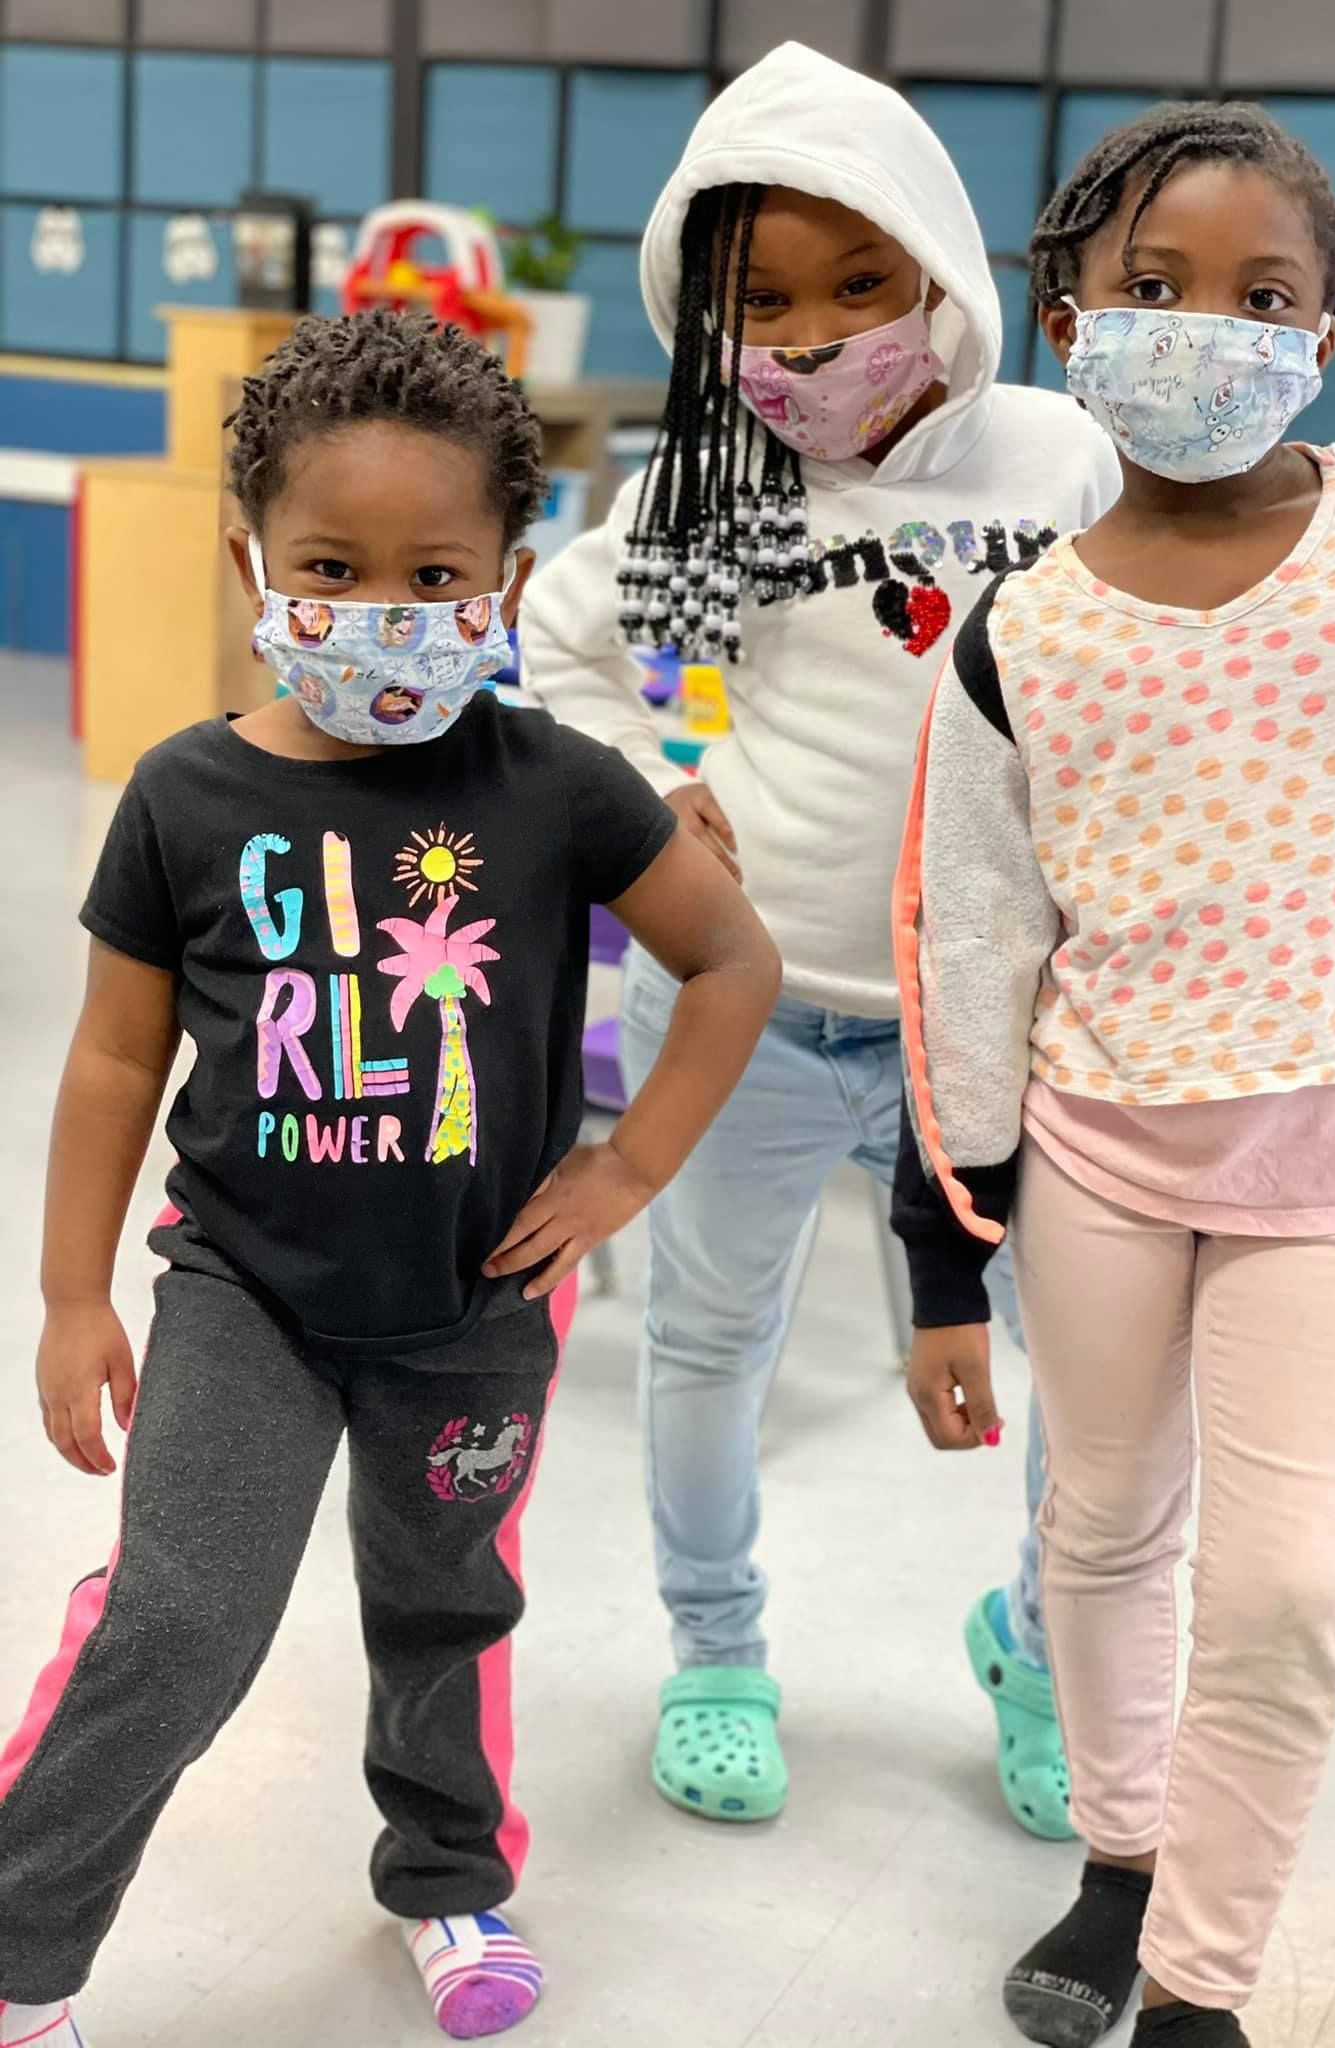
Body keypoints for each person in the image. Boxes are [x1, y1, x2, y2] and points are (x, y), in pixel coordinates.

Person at [0, 309, 780, 2047]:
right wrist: (70, 1293)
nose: (385, 614)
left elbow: (732, 964)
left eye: (438, 576)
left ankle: (449, 1886)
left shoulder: (557, 786)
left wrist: (626, 1167)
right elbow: (119, 1058)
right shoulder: (184, 796)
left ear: (509, 577)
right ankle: (20, 1951)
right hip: (245, 1293)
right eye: (333, 569)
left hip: (475, 1304)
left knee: (445, 1607)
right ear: (249, 561)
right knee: (181, 1621)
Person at [893, 102, 1335, 2048]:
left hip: (1326, 1170)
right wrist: (944, 1247)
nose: (1205, 328)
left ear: (1327, 331)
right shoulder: (1017, 630)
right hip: (1092, 1157)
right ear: (1072, 311)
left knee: (1283, 1598)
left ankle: (1205, 1985)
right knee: (1099, 1528)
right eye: (1154, 286)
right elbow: (980, 945)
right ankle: (1122, 1856)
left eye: (1262, 294)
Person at [520, 39, 1120, 1833]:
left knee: (1077, 1368)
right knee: (714, 1348)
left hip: (998, 1032)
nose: (810, 336)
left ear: (940, 272)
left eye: (861, 287)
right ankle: (715, 1653)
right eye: (760, 301)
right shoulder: (719, 486)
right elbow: (562, 649)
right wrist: (646, 776)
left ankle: (1040, 1647)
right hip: (749, 1014)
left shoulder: (1058, 461)